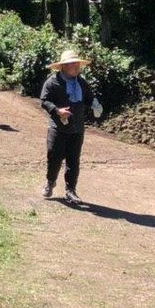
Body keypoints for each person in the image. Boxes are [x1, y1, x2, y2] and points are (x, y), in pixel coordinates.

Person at [39, 49, 96, 204]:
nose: (76, 66)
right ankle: (50, 182)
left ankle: (70, 191)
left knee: (73, 161)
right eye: (72, 64)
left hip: (77, 129)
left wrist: (96, 105)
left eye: (77, 63)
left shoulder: (81, 82)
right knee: (54, 158)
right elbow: (44, 100)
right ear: (63, 66)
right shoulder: (52, 82)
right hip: (58, 128)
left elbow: (90, 98)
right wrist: (57, 111)